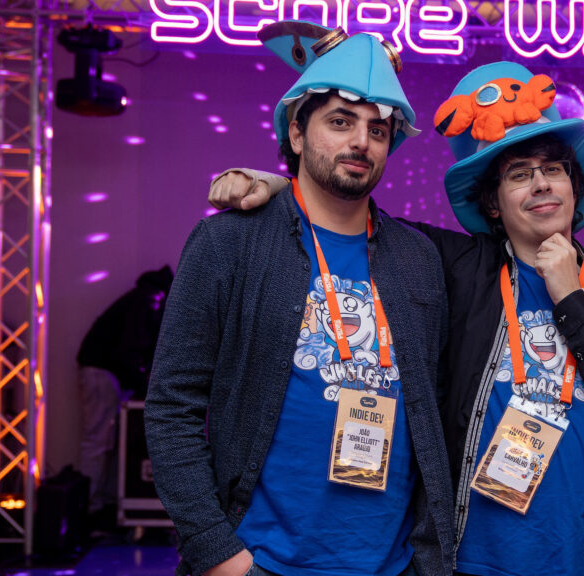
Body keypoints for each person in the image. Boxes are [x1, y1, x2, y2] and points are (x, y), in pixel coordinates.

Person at [210, 61, 584, 576]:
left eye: (553, 169)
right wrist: (275, 184)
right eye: (519, 175)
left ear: (574, 185)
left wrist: (572, 302)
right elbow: (347, 208)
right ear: (493, 204)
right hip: (467, 562)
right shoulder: (453, 269)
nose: (541, 184)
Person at [144, 21, 455, 576]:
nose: (361, 141)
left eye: (378, 130)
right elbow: (172, 407)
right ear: (296, 132)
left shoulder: (418, 256)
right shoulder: (228, 242)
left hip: (392, 564)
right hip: (260, 562)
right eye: (340, 122)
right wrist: (217, 553)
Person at [77, 265, 172, 524]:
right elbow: (130, 349)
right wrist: (144, 384)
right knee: (98, 441)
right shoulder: (149, 299)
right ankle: (90, 510)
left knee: (104, 442)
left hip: (103, 371)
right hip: (102, 372)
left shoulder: (146, 295)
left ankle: (98, 505)